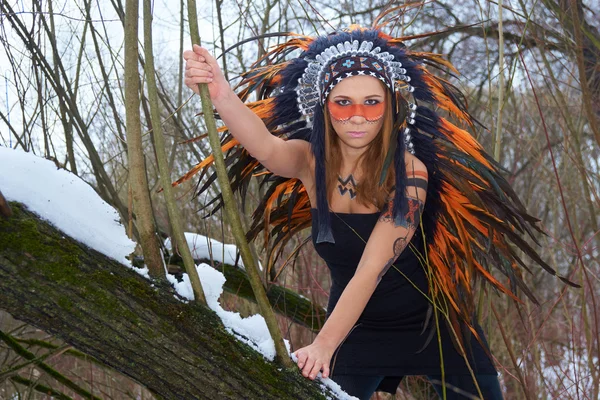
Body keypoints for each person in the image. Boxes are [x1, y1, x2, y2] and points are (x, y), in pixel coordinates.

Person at [182, 25, 572, 400]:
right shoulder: (308, 161)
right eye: (343, 102)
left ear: (390, 110)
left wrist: (322, 344)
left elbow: (371, 268)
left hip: (435, 325)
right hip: (358, 325)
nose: (357, 116)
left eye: (371, 103)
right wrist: (220, 92)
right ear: (324, 106)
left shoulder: (410, 172)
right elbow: (265, 147)